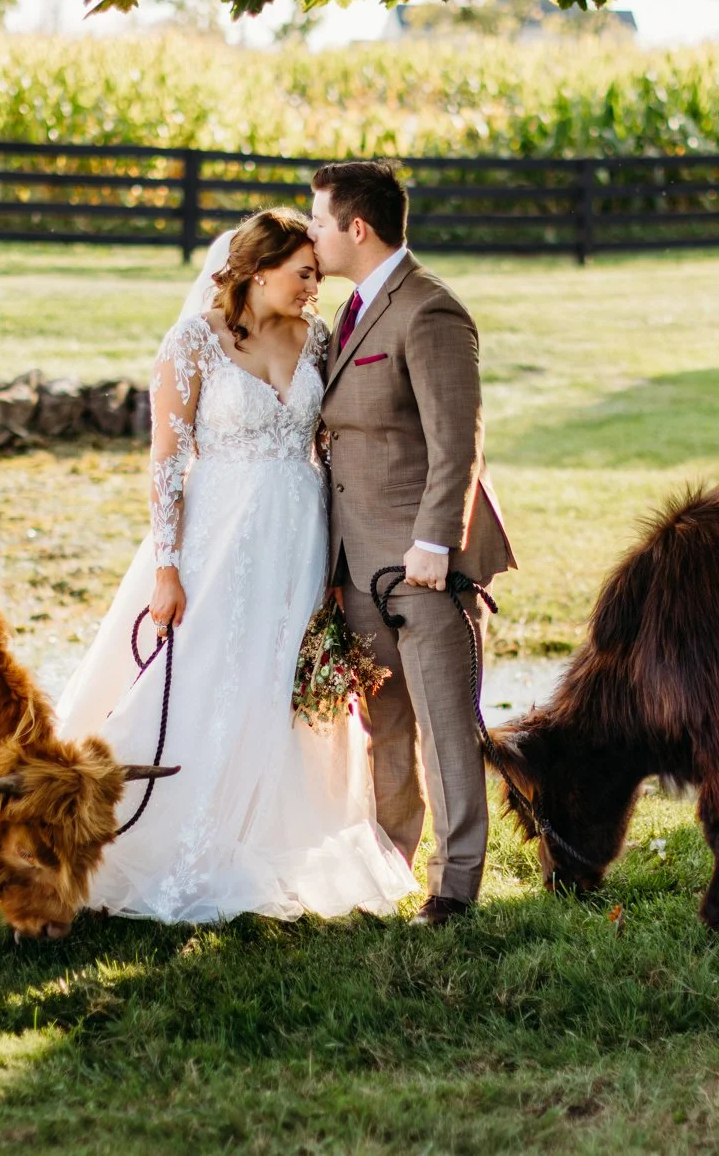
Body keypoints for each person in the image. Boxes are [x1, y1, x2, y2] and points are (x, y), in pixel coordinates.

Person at [0, 207, 416, 922]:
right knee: (202, 674)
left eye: (315, 277)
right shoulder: (193, 343)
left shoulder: (320, 339)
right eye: (302, 275)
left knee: (282, 682)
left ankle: (273, 829)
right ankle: (144, 822)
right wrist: (168, 569)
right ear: (258, 271)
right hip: (219, 537)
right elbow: (167, 464)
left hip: (297, 535)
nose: (312, 288)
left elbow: (329, 449)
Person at [309, 160, 516, 928]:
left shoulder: (430, 311)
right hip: (359, 566)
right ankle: (392, 868)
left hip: (425, 567)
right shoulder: (353, 311)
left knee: (445, 728)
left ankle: (455, 888)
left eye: (319, 220)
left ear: (355, 228)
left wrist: (437, 540)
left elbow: (458, 441)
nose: (311, 233)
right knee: (385, 728)